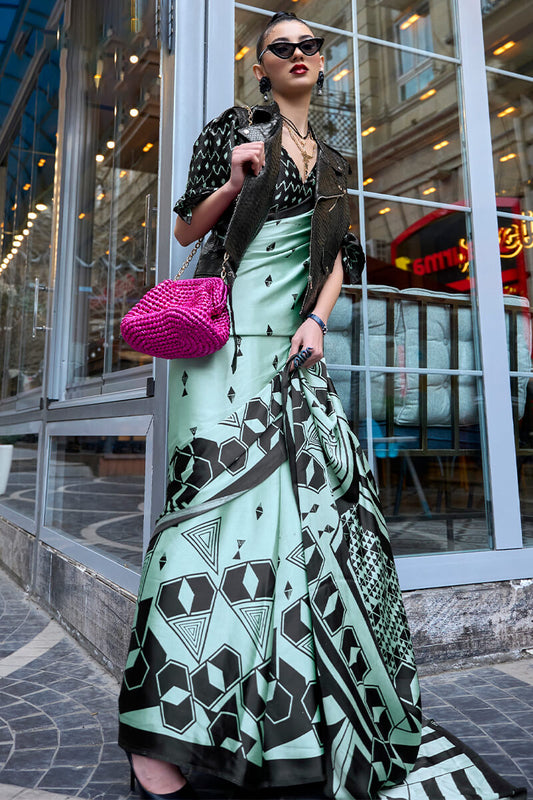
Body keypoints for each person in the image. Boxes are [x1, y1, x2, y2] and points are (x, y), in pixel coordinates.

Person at [117, 11, 429, 800]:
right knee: (202, 527)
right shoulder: (233, 128)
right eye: (279, 48)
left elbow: (341, 256)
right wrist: (233, 180)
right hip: (222, 356)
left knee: (314, 525)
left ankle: (281, 725)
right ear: (261, 68)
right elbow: (187, 228)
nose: (296, 55)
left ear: (322, 63)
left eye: (308, 46)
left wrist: (320, 320)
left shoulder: (336, 154)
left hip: (293, 355)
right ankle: (158, 734)